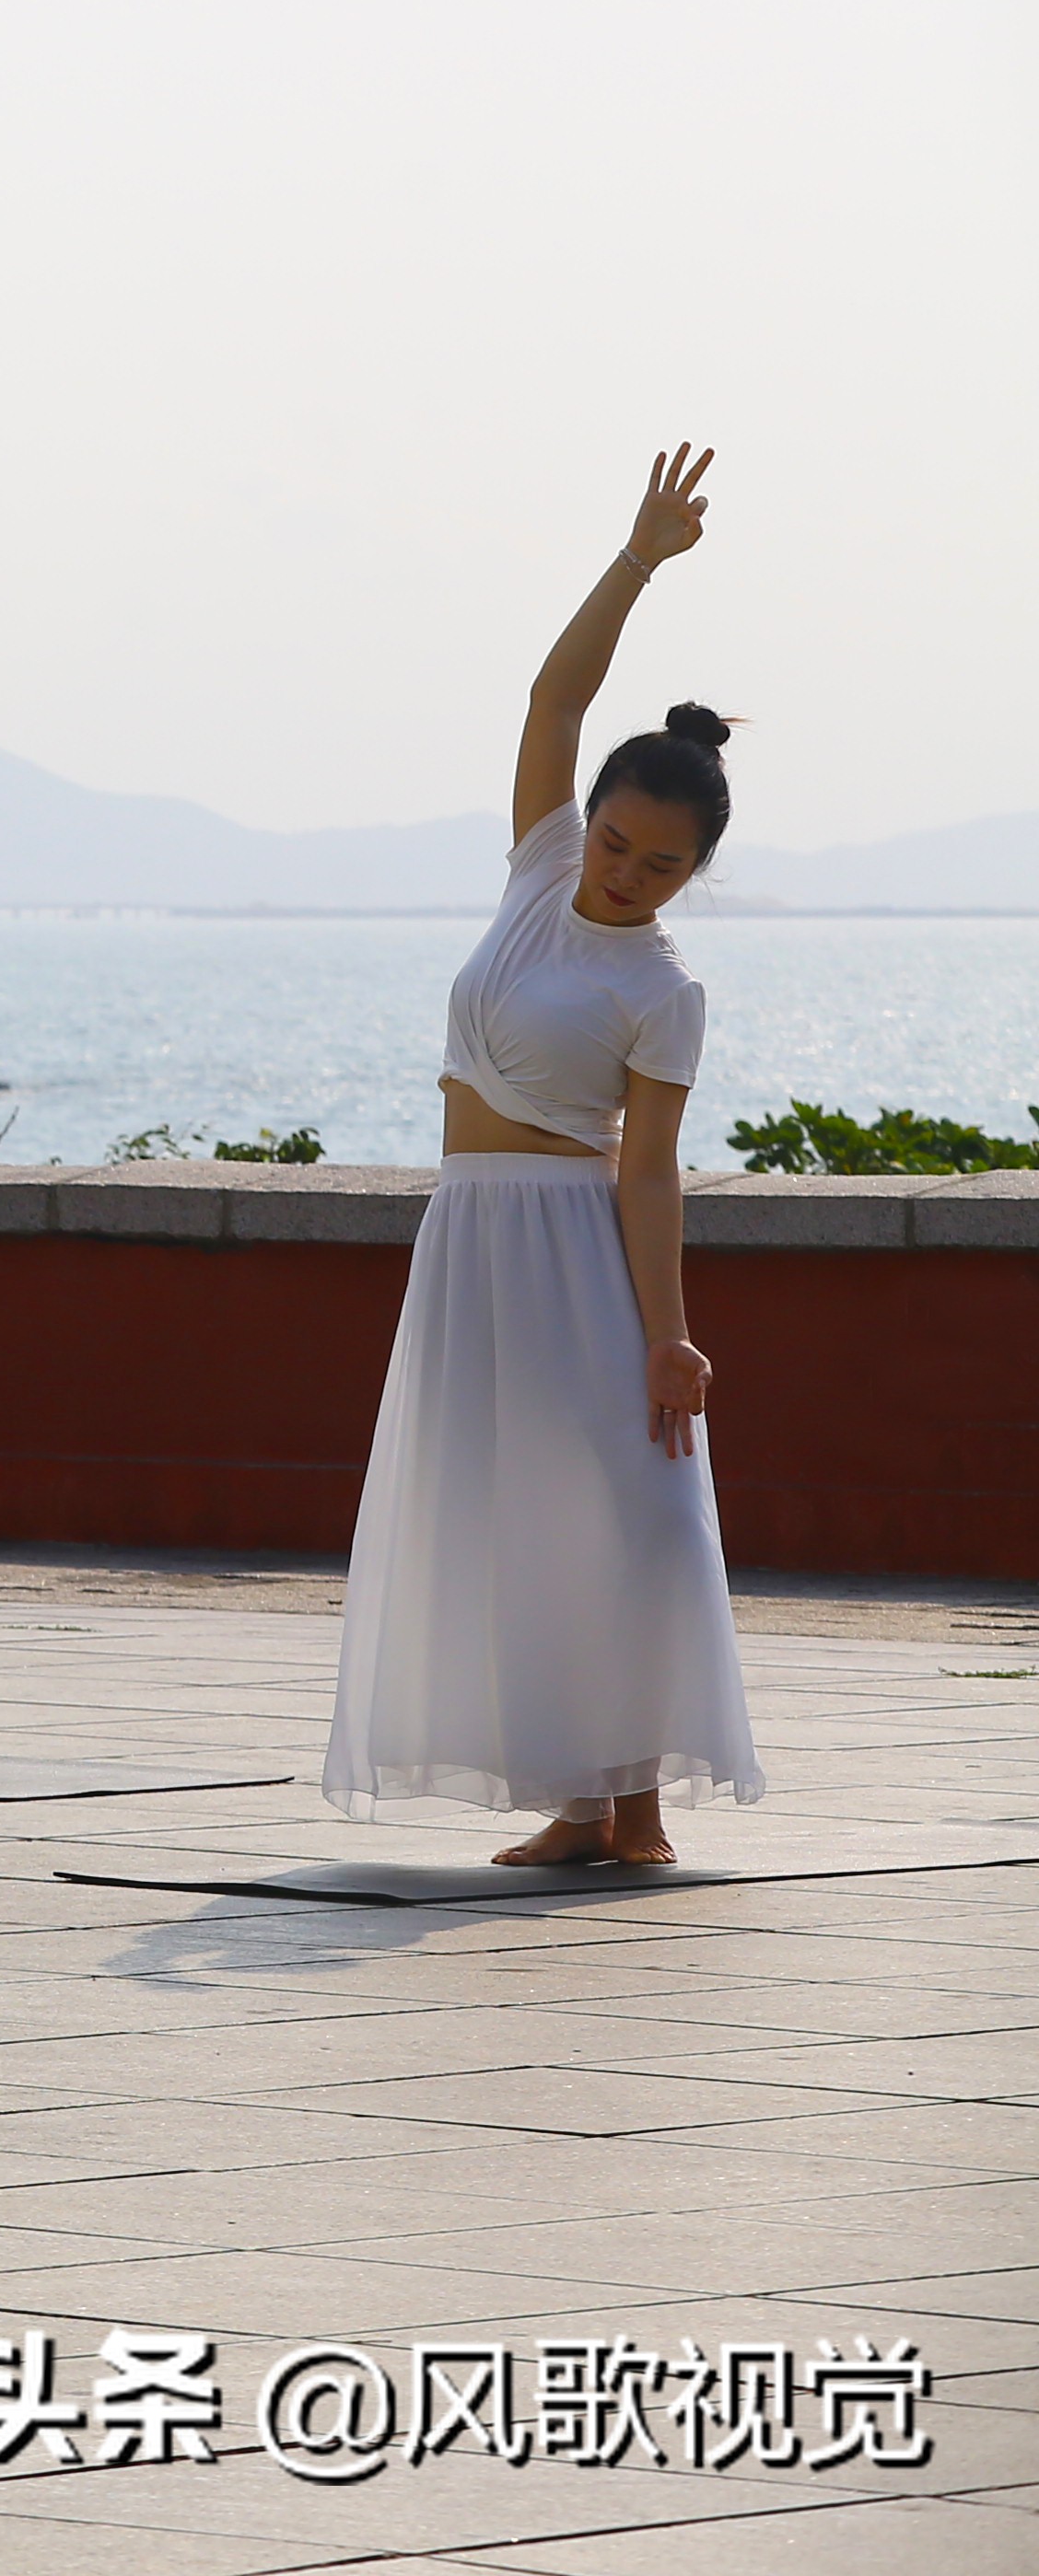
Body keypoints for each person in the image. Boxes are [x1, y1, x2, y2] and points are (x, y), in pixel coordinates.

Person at [329, 448, 760, 1864]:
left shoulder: (667, 990)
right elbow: (554, 699)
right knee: (516, 1518)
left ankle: (634, 1801)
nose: (622, 874)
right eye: (617, 843)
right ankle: (593, 1803)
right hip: (470, 1235)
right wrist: (638, 558)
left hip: (576, 1244)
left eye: (657, 867)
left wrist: (671, 1335)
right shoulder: (535, 866)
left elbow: (649, 1170)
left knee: (614, 1510)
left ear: (692, 878)